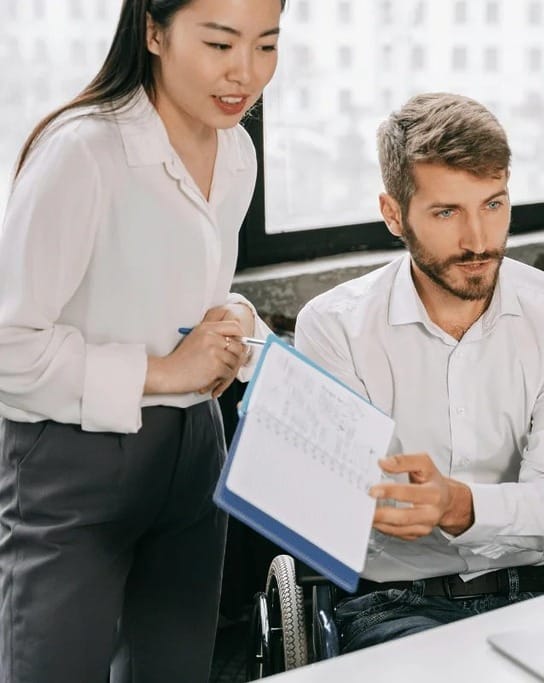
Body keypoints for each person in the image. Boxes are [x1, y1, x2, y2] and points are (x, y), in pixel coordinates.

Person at [0, 1, 284, 681]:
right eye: (220, 43)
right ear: (153, 31)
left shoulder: (236, 150)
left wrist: (237, 322)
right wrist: (161, 371)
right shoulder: (83, 152)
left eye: (267, 45)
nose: (244, 72)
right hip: (73, 464)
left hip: (193, 456)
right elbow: (8, 347)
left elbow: (190, 295)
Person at [295, 92, 544, 653]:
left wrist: (456, 504)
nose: (479, 240)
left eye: (493, 204)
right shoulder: (335, 327)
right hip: (393, 604)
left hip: (538, 597)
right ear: (394, 214)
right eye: (447, 212)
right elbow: (333, 509)